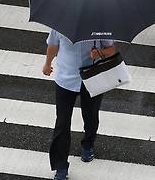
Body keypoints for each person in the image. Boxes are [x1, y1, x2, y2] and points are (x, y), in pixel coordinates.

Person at [42, 29, 115, 180]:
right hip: (65, 79)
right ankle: (61, 166)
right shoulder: (60, 25)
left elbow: (111, 49)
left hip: (92, 77)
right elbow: (53, 45)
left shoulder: (100, 26)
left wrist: (99, 53)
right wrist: (47, 63)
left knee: (91, 116)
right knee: (62, 123)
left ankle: (88, 144)